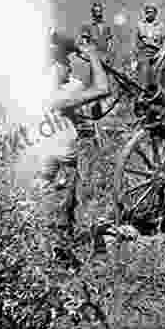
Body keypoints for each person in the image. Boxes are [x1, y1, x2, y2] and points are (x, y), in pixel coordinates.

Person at [39, 41, 111, 245]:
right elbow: (102, 88)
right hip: (60, 168)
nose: (70, 69)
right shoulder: (57, 95)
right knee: (59, 221)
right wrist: (94, 56)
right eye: (66, 65)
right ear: (53, 66)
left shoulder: (51, 90)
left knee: (63, 216)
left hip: (60, 167)